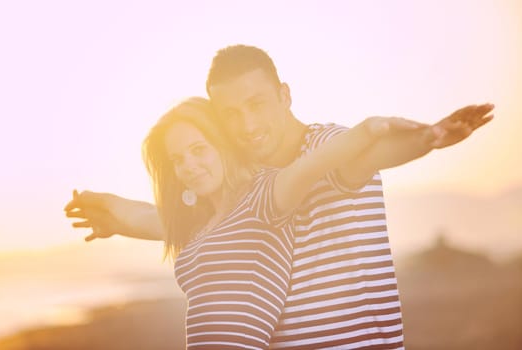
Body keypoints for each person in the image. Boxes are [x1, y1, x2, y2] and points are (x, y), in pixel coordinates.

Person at [66, 45, 493, 349]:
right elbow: (178, 219)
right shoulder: (249, 184)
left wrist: (429, 139)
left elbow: (373, 154)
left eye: (257, 104)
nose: (247, 124)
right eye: (231, 114)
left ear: (285, 95)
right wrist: (113, 215)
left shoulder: (327, 145)